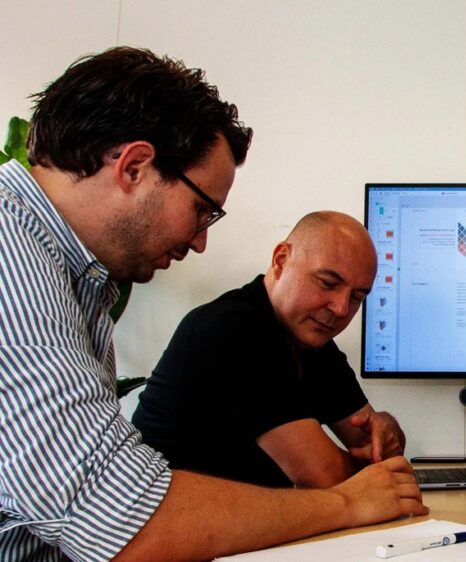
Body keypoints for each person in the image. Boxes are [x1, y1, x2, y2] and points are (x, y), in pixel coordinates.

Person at [0, 47, 426, 562]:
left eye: (356, 296)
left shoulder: (70, 274)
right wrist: (347, 503)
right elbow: (124, 525)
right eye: (202, 209)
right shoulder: (12, 264)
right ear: (134, 167)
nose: (200, 242)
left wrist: (372, 456)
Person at [133, 211, 405, 489]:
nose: (341, 308)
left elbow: (374, 449)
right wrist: (374, 468)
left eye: (357, 297)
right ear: (281, 261)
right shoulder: (233, 329)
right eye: (328, 283)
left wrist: (384, 427)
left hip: (246, 512)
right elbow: (326, 476)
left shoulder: (312, 339)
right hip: (176, 513)